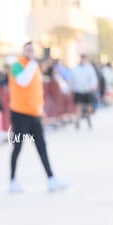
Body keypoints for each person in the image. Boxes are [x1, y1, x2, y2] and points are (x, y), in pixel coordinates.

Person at [8, 41, 68, 193]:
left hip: (35, 114)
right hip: (20, 113)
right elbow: (23, 81)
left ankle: (51, 178)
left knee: (42, 147)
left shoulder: (34, 67)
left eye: (33, 50)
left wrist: (40, 109)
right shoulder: (18, 65)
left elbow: (36, 90)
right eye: (28, 49)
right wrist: (32, 65)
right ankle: (13, 180)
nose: (30, 52)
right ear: (23, 50)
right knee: (18, 147)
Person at [68, 54, 98, 129]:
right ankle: (77, 121)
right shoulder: (76, 68)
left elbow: (93, 78)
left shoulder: (89, 68)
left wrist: (92, 86)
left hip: (87, 90)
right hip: (79, 90)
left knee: (88, 106)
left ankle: (88, 118)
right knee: (78, 106)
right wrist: (71, 87)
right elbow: (71, 79)